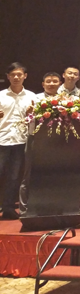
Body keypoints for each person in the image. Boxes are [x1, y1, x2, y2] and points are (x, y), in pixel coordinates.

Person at [0, 63, 36, 220]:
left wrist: (31, 114)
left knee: (14, 177)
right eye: (13, 74)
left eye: (19, 74)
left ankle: (8, 207)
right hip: (1, 139)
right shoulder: (1, 95)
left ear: (25, 76)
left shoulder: (32, 96)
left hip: (20, 140)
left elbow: (36, 120)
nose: (16, 77)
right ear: (8, 77)